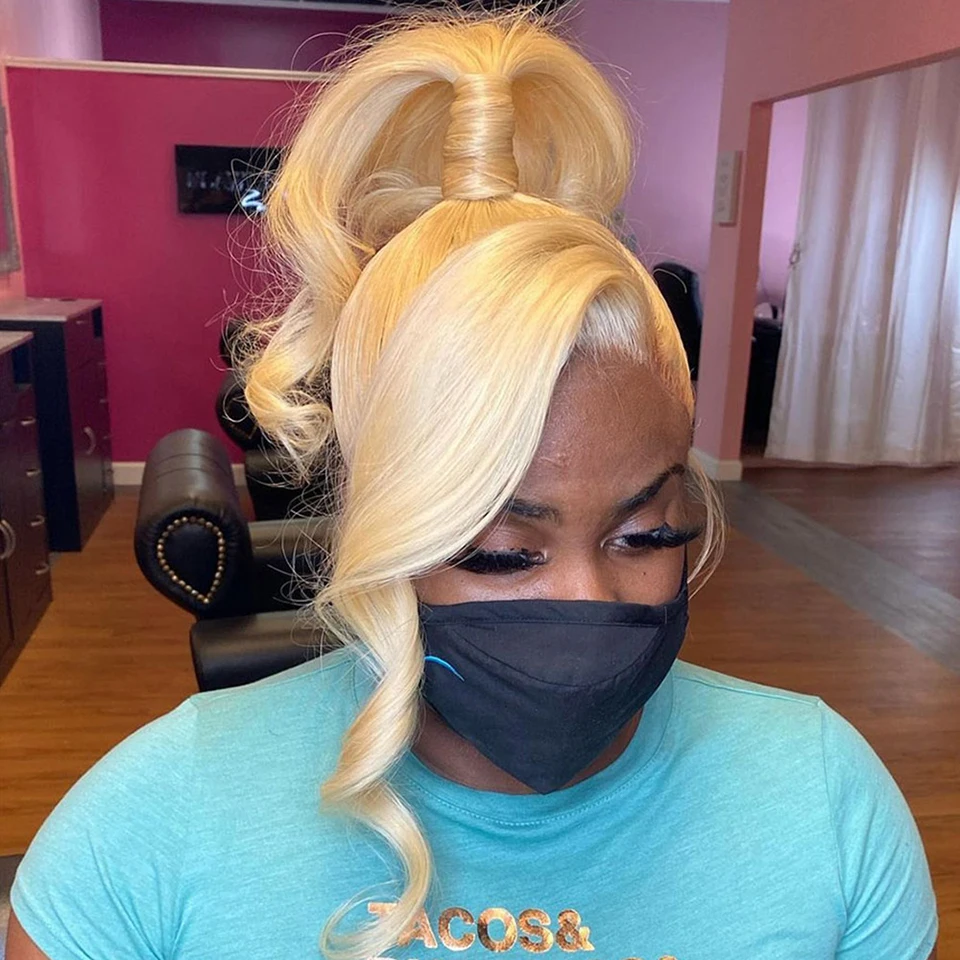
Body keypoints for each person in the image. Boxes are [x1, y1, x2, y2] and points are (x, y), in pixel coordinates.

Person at [6, 11, 938, 960]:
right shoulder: (154, 827)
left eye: (644, 535)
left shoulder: (824, 800)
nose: (587, 598)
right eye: (500, 552)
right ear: (380, 525)